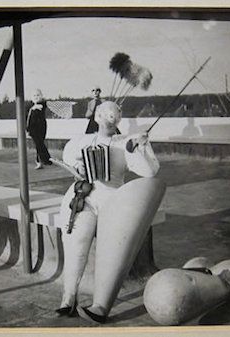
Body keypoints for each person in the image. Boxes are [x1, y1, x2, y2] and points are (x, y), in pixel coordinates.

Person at [56, 101, 165, 323]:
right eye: (105, 117)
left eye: (113, 118)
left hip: (113, 200)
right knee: (76, 243)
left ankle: (100, 305)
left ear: (118, 120)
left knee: (112, 252)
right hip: (84, 197)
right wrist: (79, 168)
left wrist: (142, 147)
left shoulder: (125, 143)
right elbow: (68, 156)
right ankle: (69, 298)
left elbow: (150, 171)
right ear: (96, 117)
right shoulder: (83, 141)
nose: (109, 122)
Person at [26, 89, 52, 169]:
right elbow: (27, 117)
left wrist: (34, 108)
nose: (36, 97)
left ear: (41, 96)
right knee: (38, 143)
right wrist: (33, 108)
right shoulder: (29, 107)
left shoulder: (42, 104)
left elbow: (43, 106)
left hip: (41, 126)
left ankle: (40, 161)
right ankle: (45, 159)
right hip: (33, 128)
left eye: (38, 95)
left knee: (40, 143)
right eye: (34, 95)